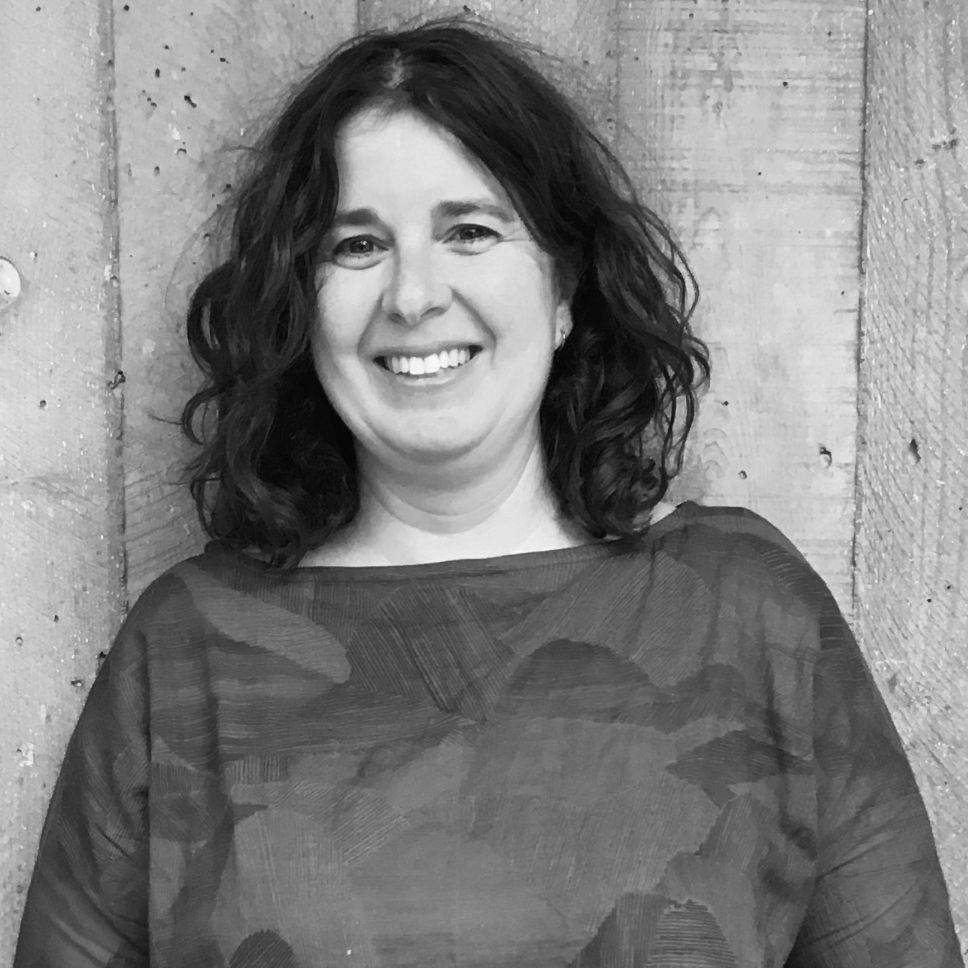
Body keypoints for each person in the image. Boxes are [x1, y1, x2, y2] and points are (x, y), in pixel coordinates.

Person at [13, 16, 963, 968]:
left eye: (468, 231)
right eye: (357, 245)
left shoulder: (747, 611)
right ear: (301, 305)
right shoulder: (186, 652)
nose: (413, 295)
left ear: (564, 289)